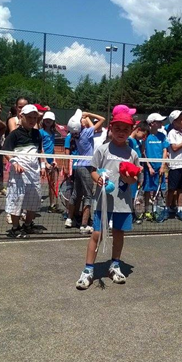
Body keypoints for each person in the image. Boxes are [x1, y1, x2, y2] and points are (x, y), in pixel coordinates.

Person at [76, 110, 140, 290]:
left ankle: (115, 265)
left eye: (125, 129)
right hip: (103, 202)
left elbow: (134, 178)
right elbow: (93, 170)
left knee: (119, 233)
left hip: (123, 203)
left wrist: (128, 178)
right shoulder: (103, 149)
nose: (121, 132)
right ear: (111, 128)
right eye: (117, 128)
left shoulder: (132, 154)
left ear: (130, 131)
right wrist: (98, 179)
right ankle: (88, 270)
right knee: (97, 234)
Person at [3, 104, 47, 238]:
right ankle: (15, 228)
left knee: (34, 200)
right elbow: (6, 151)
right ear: (21, 116)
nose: (32, 120)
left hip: (34, 173)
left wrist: (43, 166)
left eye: (34, 118)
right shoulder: (14, 134)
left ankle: (28, 225)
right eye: (29, 117)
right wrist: (14, 163)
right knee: (16, 200)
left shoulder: (37, 134)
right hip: (19, 174)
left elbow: (39, 151)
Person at [64, 109, 106, 233]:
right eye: (81, 119)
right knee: (88, 195)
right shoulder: (87, 132)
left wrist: (85, 118)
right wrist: (89, 115)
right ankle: (84, 224)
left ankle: (69, 219)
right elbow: (102, 119)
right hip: (87, 166)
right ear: (80, 124)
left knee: (76, 193)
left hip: (78, 166)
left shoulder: (75, 134)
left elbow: (93, 126)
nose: (83, 119)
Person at [143, 113, 169, 220]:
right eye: (158, 121)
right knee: (147, 190)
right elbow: (143, 152)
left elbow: (165, 151)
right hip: (148, 167)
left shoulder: (162, 135)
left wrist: (163, 166)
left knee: (157, 190)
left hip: (159, 167)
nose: (161, 123)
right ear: (152, 123)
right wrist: (149, 166)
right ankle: (147, 210)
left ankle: (155, 210)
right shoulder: (146, 136)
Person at [40, 111, 61, 213]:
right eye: (46, 119)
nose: (48, 121)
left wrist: (54, 160)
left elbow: (52, 149)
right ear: (43, 120)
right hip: (41, 161)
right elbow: (41, 148)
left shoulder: (52, 133)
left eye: (50, 120)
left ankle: (52, 205)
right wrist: (44, 163)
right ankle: (30, 208)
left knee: (52, 184)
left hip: (50, 162)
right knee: (36, 183)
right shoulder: (40, 132)